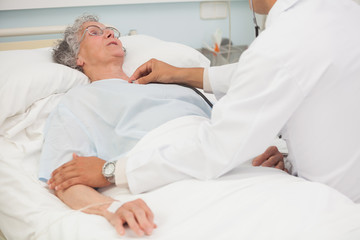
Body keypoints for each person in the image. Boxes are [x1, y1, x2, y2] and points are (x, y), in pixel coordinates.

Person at [39, 14, 286, 236]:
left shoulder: (170, 83)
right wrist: (112, 209)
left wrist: (265, 152)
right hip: (163, 178)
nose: (109, 33)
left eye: (111, 30)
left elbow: (223, 133)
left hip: (230, 167)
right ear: (77, 58)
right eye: (94, 32)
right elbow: (64, 180)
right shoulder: (78, 101)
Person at [121, 0, 360, 202]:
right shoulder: (343, 9)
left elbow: (216, 150)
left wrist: (116, 172)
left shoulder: (281, 44)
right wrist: (179, 73)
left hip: (339, 205)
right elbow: (268, 73)